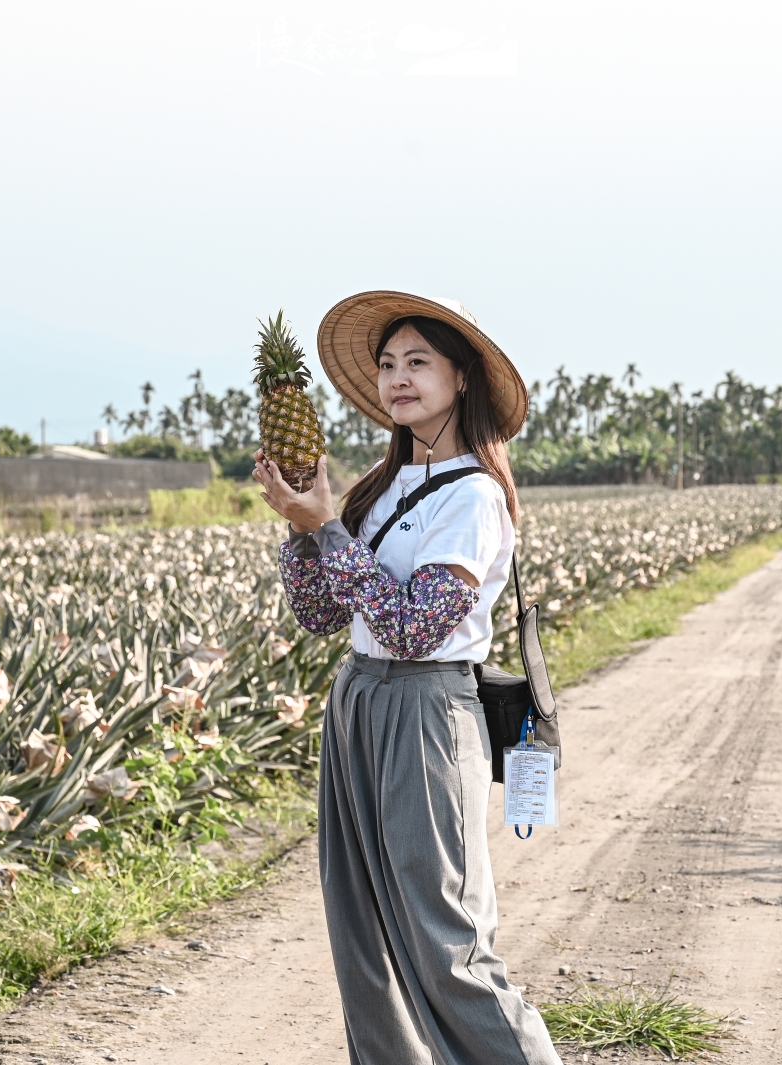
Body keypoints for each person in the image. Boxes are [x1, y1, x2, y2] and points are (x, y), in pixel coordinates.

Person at [253, 291, 560, 1065]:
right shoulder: (380, 487)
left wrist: (327, 528)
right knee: (364, 942)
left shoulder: (476, 495)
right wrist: (302, 526)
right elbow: (321, 612)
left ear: (462, 378)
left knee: (445, 941)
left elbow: (415, 624)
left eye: (417, 361)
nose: (397, 377)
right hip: (357, 699)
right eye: (388, 364)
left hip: (426, 706)